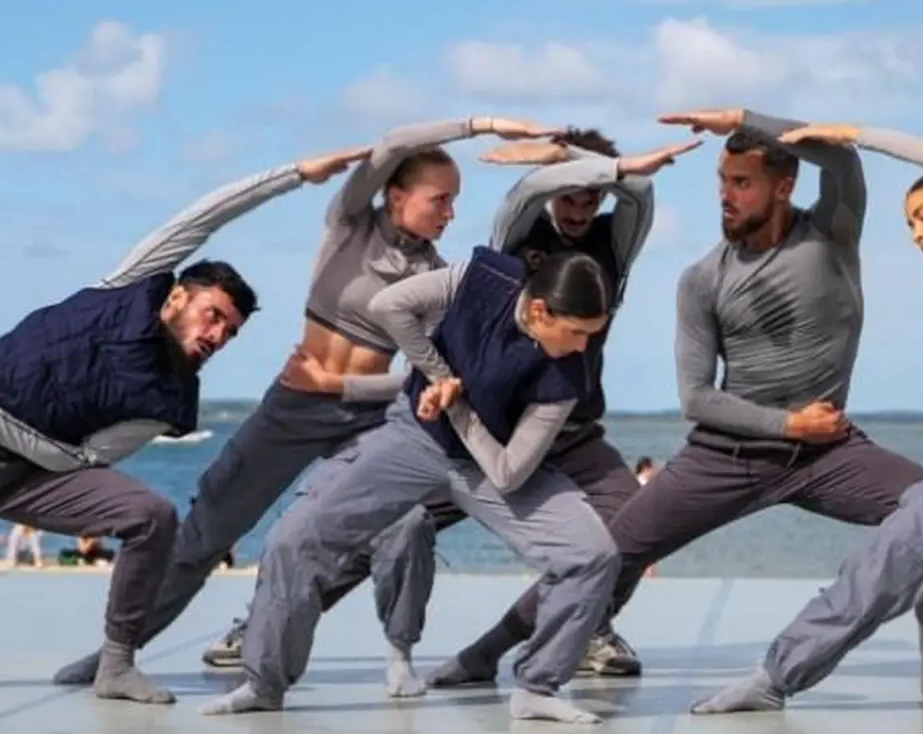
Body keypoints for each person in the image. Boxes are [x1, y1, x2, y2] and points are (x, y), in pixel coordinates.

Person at [51, 116, 559, 690]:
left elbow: (436, 377)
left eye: (454, 202)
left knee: (408, 523)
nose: (450, 213)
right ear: (396, 195)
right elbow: (392, 144)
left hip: (368, 416)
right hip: (291, 408)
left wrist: (344, 388)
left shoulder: (437, 277)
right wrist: (482, 125)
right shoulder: (350, 223)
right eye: (440, 199)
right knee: (204, 533)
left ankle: (400, 656)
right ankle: (116, 654)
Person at [0, 146, 367, 704]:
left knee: (149, 515)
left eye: (229, 333)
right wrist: (298, 175)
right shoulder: (133, 281)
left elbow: (79, 461)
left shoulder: (170, 400)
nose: (217, 335)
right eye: (214, 316)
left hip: (37, 474)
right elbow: (207, 214)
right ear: (178, 295)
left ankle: (117, 665)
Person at [198, 128, 702, 680]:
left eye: (591, 196)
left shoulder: (615, 242)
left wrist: (586, 161)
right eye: (570, 193)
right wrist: (562, 162)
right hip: (475, 425)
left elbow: (642, 192)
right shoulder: (519, 231)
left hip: (569, 423)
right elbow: (529, 187)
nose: (580, 207)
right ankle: (263, 624)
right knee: (378, 524)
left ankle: (588, 629)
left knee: (634, 522)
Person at [571, 107, 923, 706]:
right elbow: (695, 398)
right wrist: (788, 423)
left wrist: (745, 116)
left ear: (784, 185)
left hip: (826, 454)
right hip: (727, 453)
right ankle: (502, 649)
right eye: (722, 181)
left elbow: (842, 157)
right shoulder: (701, 277)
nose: (725, 194)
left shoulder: (831, 237)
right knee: (609, 553)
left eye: (741, 181)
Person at [690, 122, 923, 714]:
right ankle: (775, 675)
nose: (917, 234)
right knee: (899, 545)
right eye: (908, 225)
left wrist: (858, 136)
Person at [201, 247, 616, 723]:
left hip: (486, 465)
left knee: (591, 553)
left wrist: (455, 405)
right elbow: (388, 306)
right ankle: (263, 682)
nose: (584, 346)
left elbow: (507, 472)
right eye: (577, 332)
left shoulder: (568, 372)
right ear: (539, 310)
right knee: (294, 539)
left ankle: (538, 686)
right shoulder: (482, 279)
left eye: (593, 334)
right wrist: (438, 374)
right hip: (413, 438)